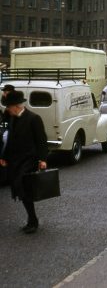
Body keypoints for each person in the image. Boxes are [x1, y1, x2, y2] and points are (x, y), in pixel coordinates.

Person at [0, 90, 48, 234]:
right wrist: (4, 157)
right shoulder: (13, 118)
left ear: (16, 106)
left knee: (23, 188)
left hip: (29, 159)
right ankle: (32, 219)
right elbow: (10, 141)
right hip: (15, 160)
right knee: (20, 190)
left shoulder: (34, 118)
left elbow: (41, 141)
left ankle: (33, 221)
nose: (7, 110)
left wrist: (43, 159)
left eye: (9, 107)